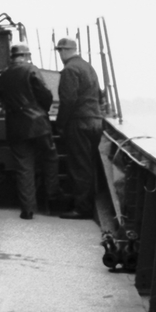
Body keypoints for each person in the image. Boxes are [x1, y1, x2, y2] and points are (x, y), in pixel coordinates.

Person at [0, 43, 61, 220]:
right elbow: (45, 94)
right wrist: (41, 110)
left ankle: (28, 209)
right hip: (37, 123)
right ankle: (52, 200)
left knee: (24, 166)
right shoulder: (31, 70)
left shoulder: (3, 75)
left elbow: (1, 96)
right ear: (26, 55)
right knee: (50, 158)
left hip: (15, 125)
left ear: (12, 57)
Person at [55, 36, 103, 219]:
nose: (59, 54)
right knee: (89, 164)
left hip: (79, 122)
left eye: (59, 51)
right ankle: (88, 204)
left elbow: (68, 100)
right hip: (95, 121)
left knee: (79, 166)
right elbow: (99, 94)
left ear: (63, 51)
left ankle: (82, 208)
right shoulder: (87, 67)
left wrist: (60, 124)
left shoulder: (69, 69)